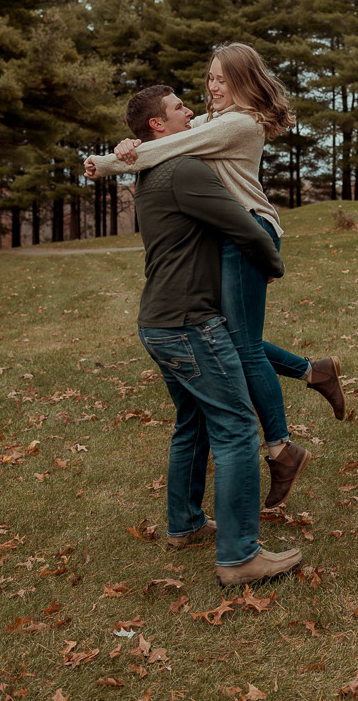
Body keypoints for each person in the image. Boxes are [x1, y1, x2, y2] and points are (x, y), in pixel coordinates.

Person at [85, 44, 345, 508]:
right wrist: (129, 145)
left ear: (243, 81)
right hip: (230, 232)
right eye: (209, 78)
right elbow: (162, 141)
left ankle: (282, 448)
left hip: (249, 230)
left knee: (240, 345)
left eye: (222, 79)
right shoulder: (215, 121)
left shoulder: (239, 124)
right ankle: (314, 371)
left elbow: (173, 143)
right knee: (226, 338)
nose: (212, 87)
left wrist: (105, 163)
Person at [123, 84, 304, 587]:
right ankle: (240, 556)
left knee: (193, 423)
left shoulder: (150, 170)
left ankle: (185, 523)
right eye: (179, 107)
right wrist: (273, 264)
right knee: (237, 429)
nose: (191, 110)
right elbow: (244, 227)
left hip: (157, 322)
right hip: (187, 324)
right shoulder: (185, 170)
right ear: (159, 125)